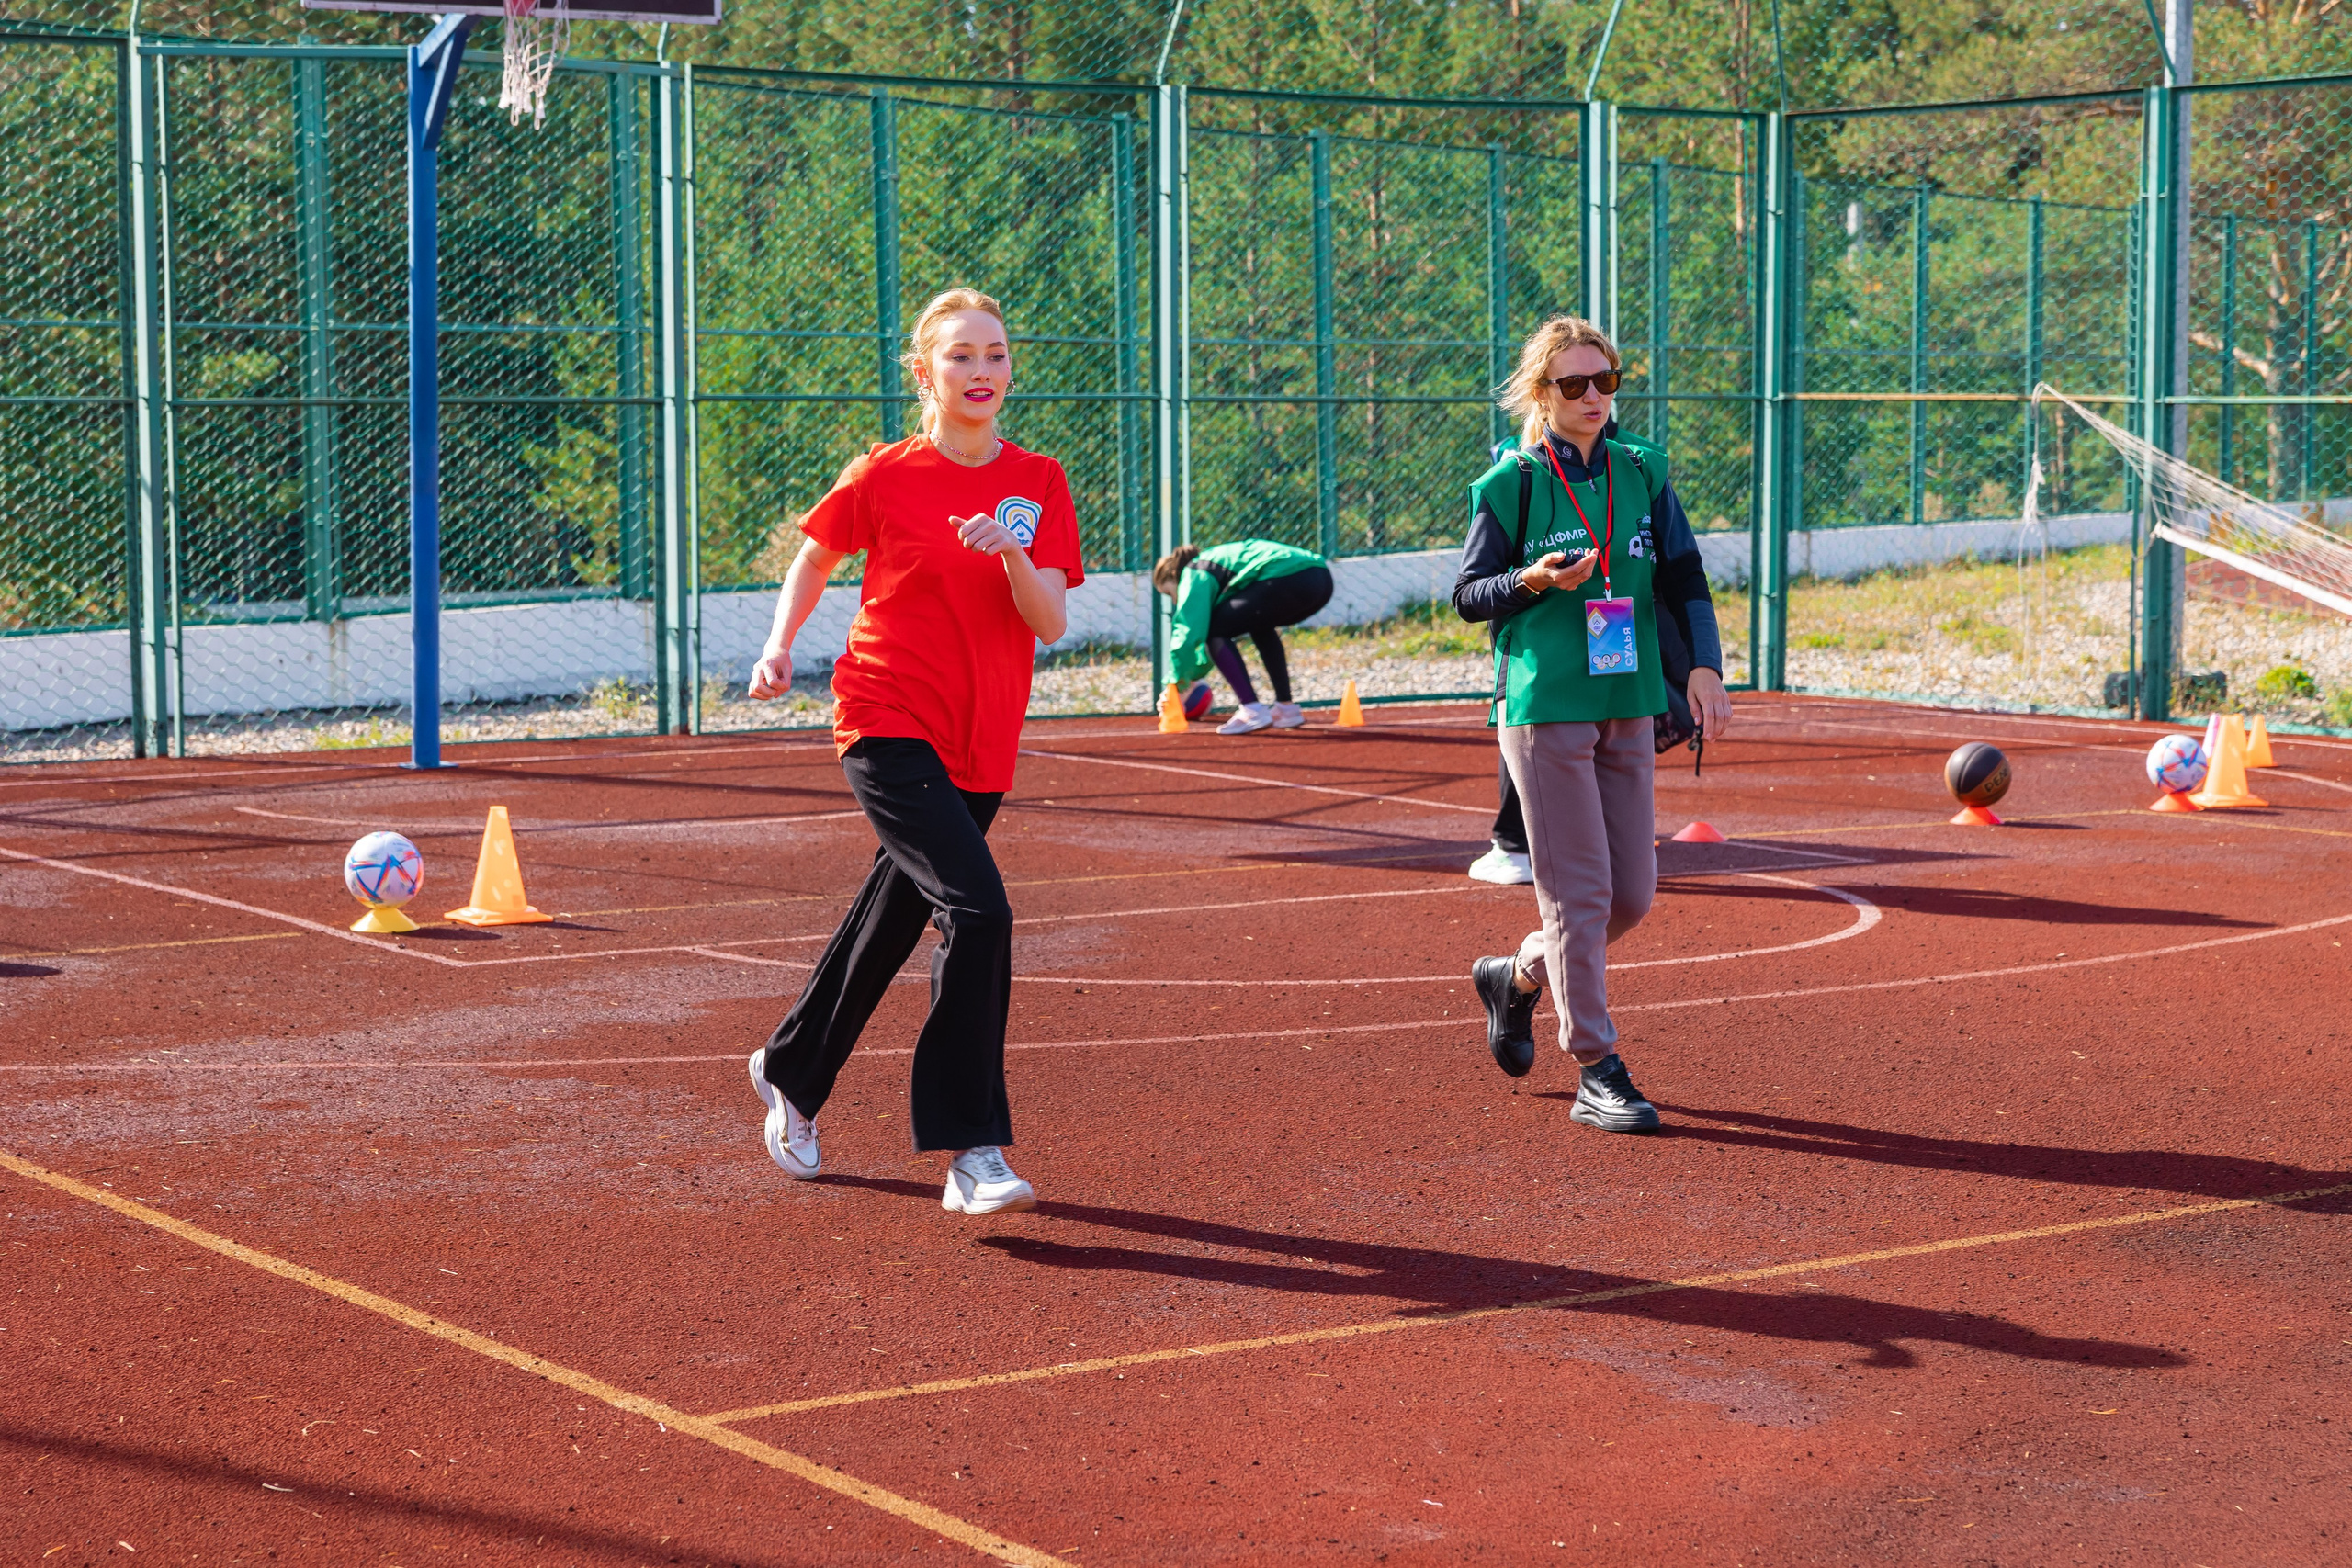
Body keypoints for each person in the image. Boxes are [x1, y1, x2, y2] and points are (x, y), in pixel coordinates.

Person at [742, 287, 1083, 1216]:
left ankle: (791, 1069)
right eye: (963, 355)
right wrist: (781, 644)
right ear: (924, 370)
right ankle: (972, 1149)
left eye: (997, 354)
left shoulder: (1039, 481)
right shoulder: (883, 475)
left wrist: (1006, 552)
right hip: (886, 719)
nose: (983, 371)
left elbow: (1048, 619)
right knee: (980, 915)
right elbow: (815, 555)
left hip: (982, 742)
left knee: (891, 921)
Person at [1452, 314, 1733, 1133]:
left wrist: (1704, 666)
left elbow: (1683, 573)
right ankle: (1597, 1065)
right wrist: (1532, 579)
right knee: (1579, 894)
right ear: (1542, 394)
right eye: (1573, 385)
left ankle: (1517, 976)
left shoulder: (1643, 469)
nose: (1593, 397)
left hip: (1628, 698)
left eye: (1606, 381)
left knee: (1632, 895)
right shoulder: (1513, 484)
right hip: (1544, 708)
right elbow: (1470, 596)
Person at [1151, 540, 1334, 734]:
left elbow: (1189, 633)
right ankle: (1286, 708)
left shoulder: (1193, 570)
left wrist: (1177, 684)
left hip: (1286, 576)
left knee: (1215, 629)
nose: (1173, 600)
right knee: (1260, 624)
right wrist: (1192, 676)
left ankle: (1251, 709)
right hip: (1320, 578)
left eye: (1169, 592)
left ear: (1174, 576)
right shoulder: (1215, 562)